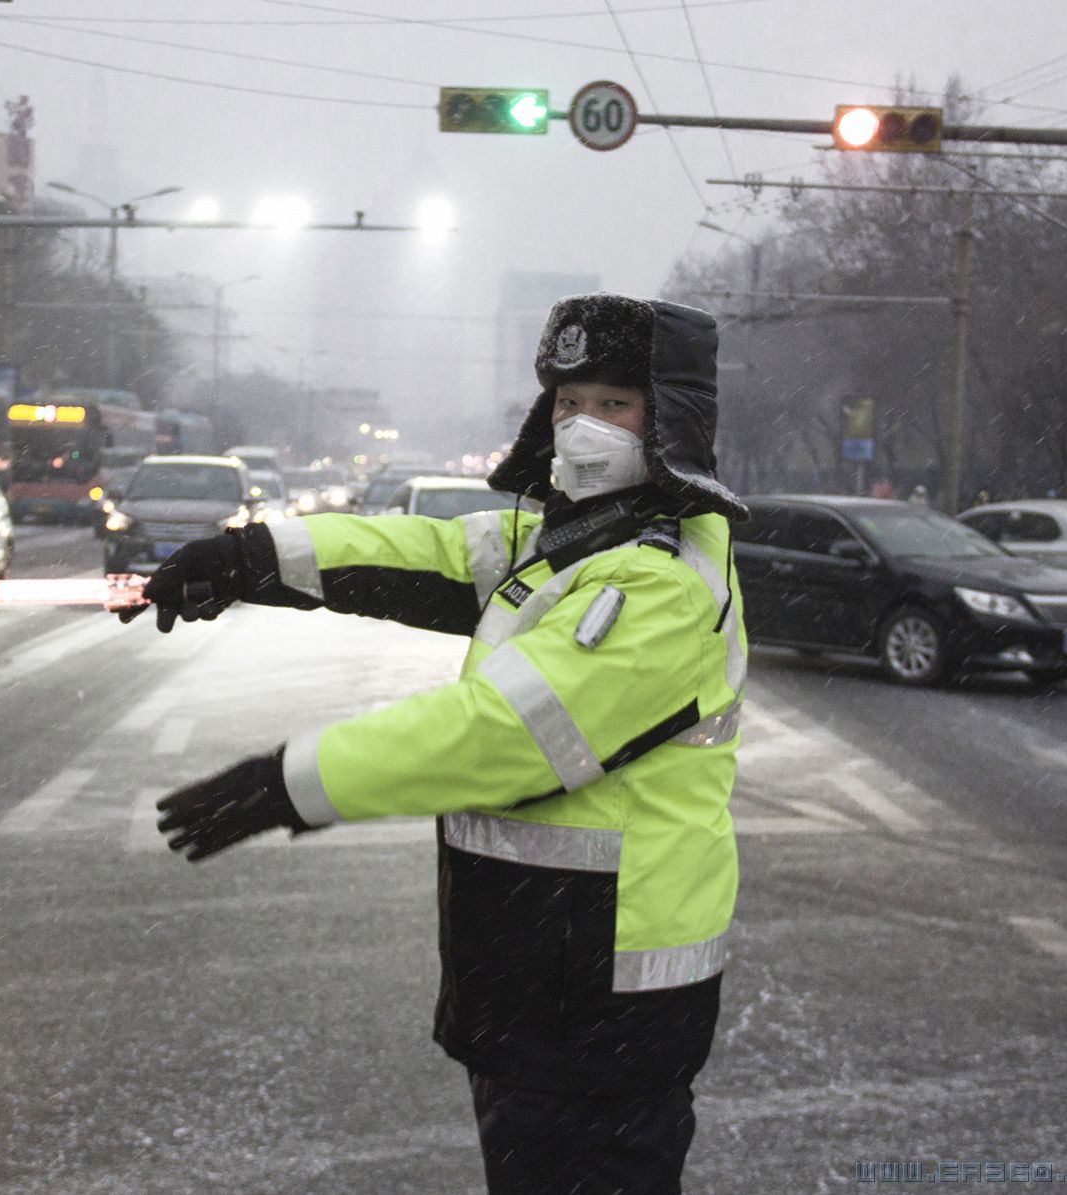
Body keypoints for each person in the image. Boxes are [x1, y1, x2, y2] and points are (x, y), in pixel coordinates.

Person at [127, 293, 748, 1195]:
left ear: (670, 418)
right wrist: (250, 556)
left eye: (615, 403)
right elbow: (419, 551)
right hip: (543, 974)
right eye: (569, 401)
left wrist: (295, 781)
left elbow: (506, 735)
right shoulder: (569, 540)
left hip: (604, 1000)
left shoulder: (662, 581)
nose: (585, 426)